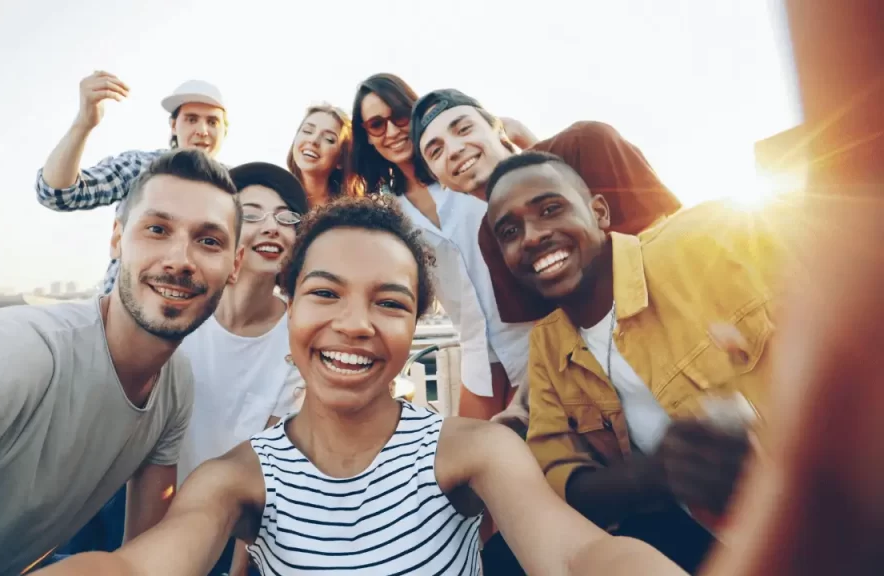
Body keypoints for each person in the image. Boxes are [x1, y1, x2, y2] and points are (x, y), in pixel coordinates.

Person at [37, 196, 685, 576]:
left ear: (413, 325)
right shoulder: (237, 479)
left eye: (389, 302)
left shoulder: (471, 452)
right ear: (290, 308)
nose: (354, 325)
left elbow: (577, 556)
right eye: (325, 293)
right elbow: (135, 566)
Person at [0, 149, 242, 576]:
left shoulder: (175, 386)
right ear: (117, 239)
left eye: (209, 241)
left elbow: (143, 551)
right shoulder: (15, 352)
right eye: (157, 229)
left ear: (234, 265)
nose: (180, 259)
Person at [484, 150, 799, 572]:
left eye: (550, 209)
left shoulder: (706, 238)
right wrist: (657, 475)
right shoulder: (548, 344)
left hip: (822, 511)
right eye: (510, 231)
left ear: (599, 212)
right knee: (502, 559)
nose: (531, 236)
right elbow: (560, 475)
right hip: (702, 535)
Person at [409, 89, 682, 432]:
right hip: (617, 402)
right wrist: (520, 409)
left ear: (498, 128)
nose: (454, 149)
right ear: (439, 179)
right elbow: (552, 330)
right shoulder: (491, 237)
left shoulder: (587, 144)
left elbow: (677, 241)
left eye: (464, 129)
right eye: (435, 151)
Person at [351, 75, 536, 427]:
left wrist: (519, 133)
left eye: (400, 116)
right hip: (476, 355)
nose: (392, 131)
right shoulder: (388, 213)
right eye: (376, 124)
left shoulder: (469, 168)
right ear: (368, 138)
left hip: (533, 339)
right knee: (468, 448)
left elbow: (549, 184)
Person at [177, 162, 308, 575]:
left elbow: (268, 467)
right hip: (155, 513)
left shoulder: (300, 334)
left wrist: (238, 569)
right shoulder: (182, 312)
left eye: (286, 218)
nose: (271, 227)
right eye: (252, 214)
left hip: (240, 532)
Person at [36, 72, 230, 294]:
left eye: (212, 122)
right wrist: (83, 124)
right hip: (125, 310)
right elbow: (59, 194)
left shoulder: (237, 187)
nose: (202, 131)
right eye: (191, 119)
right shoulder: (140, 166)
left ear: (225, 130)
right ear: (173, 125)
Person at [285, 103, 356, 206]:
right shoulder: (276, 197)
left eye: (329, 139)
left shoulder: (353, 209)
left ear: (341, 159)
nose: (313, 140)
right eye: (307, 131)